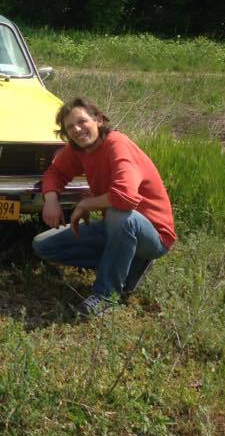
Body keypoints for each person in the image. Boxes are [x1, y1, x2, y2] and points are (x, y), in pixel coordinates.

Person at [33, 97, 176, 317]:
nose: (77, 129)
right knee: (44, 245)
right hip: (116, 228)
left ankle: (106, 297)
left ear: (99, 120)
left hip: (153, 235)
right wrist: (51, 200)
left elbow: (126, 198)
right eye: (70, 127)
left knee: (121, 216)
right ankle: (129, 264)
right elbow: (56, 173)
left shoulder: (117, 145)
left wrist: (86, 203)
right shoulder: (79, 149)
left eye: (82, 121)